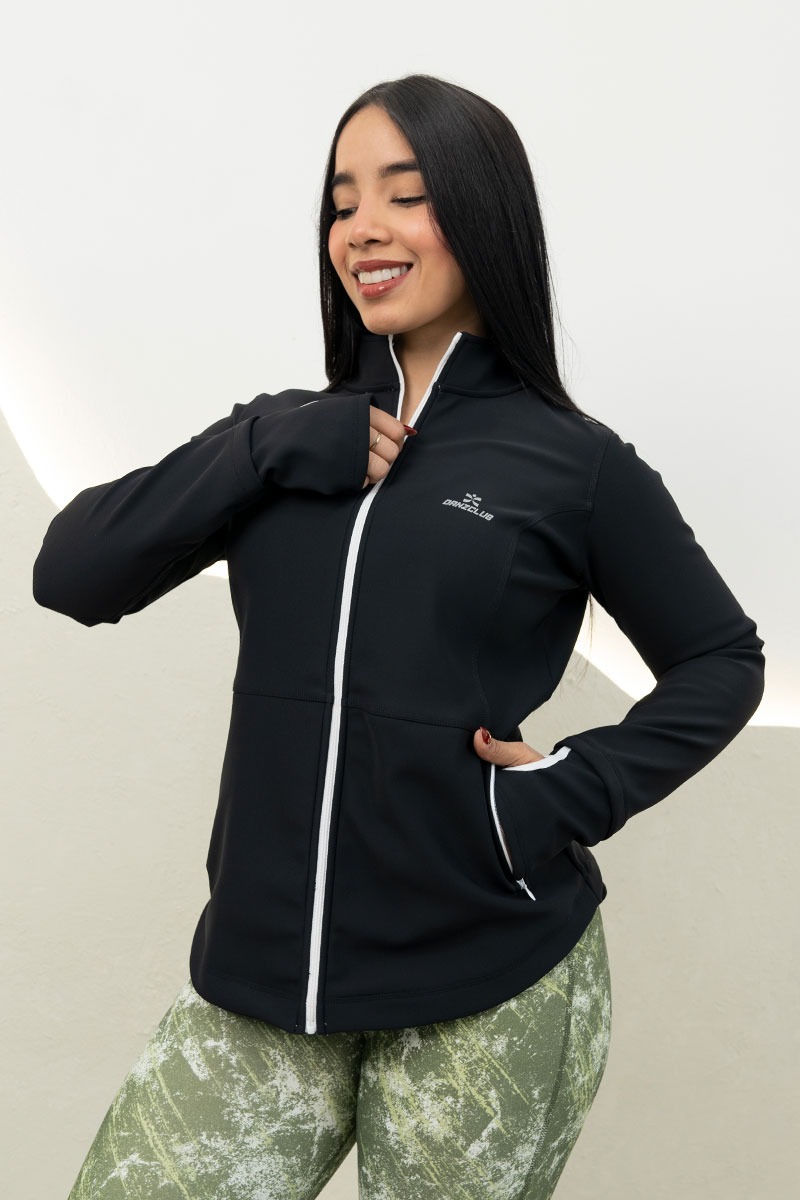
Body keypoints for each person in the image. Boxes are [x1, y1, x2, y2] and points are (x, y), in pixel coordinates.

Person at [32, 73, 765, 1199]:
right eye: (341, 202)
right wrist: (262, 447)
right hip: (262, 977)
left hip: (485, 984)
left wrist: (563, 792)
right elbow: (73, 574)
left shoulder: (571, 464)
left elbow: (722, 659)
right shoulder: (283, 439)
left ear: (480, 213)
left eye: (405, 195)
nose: (362, 228)